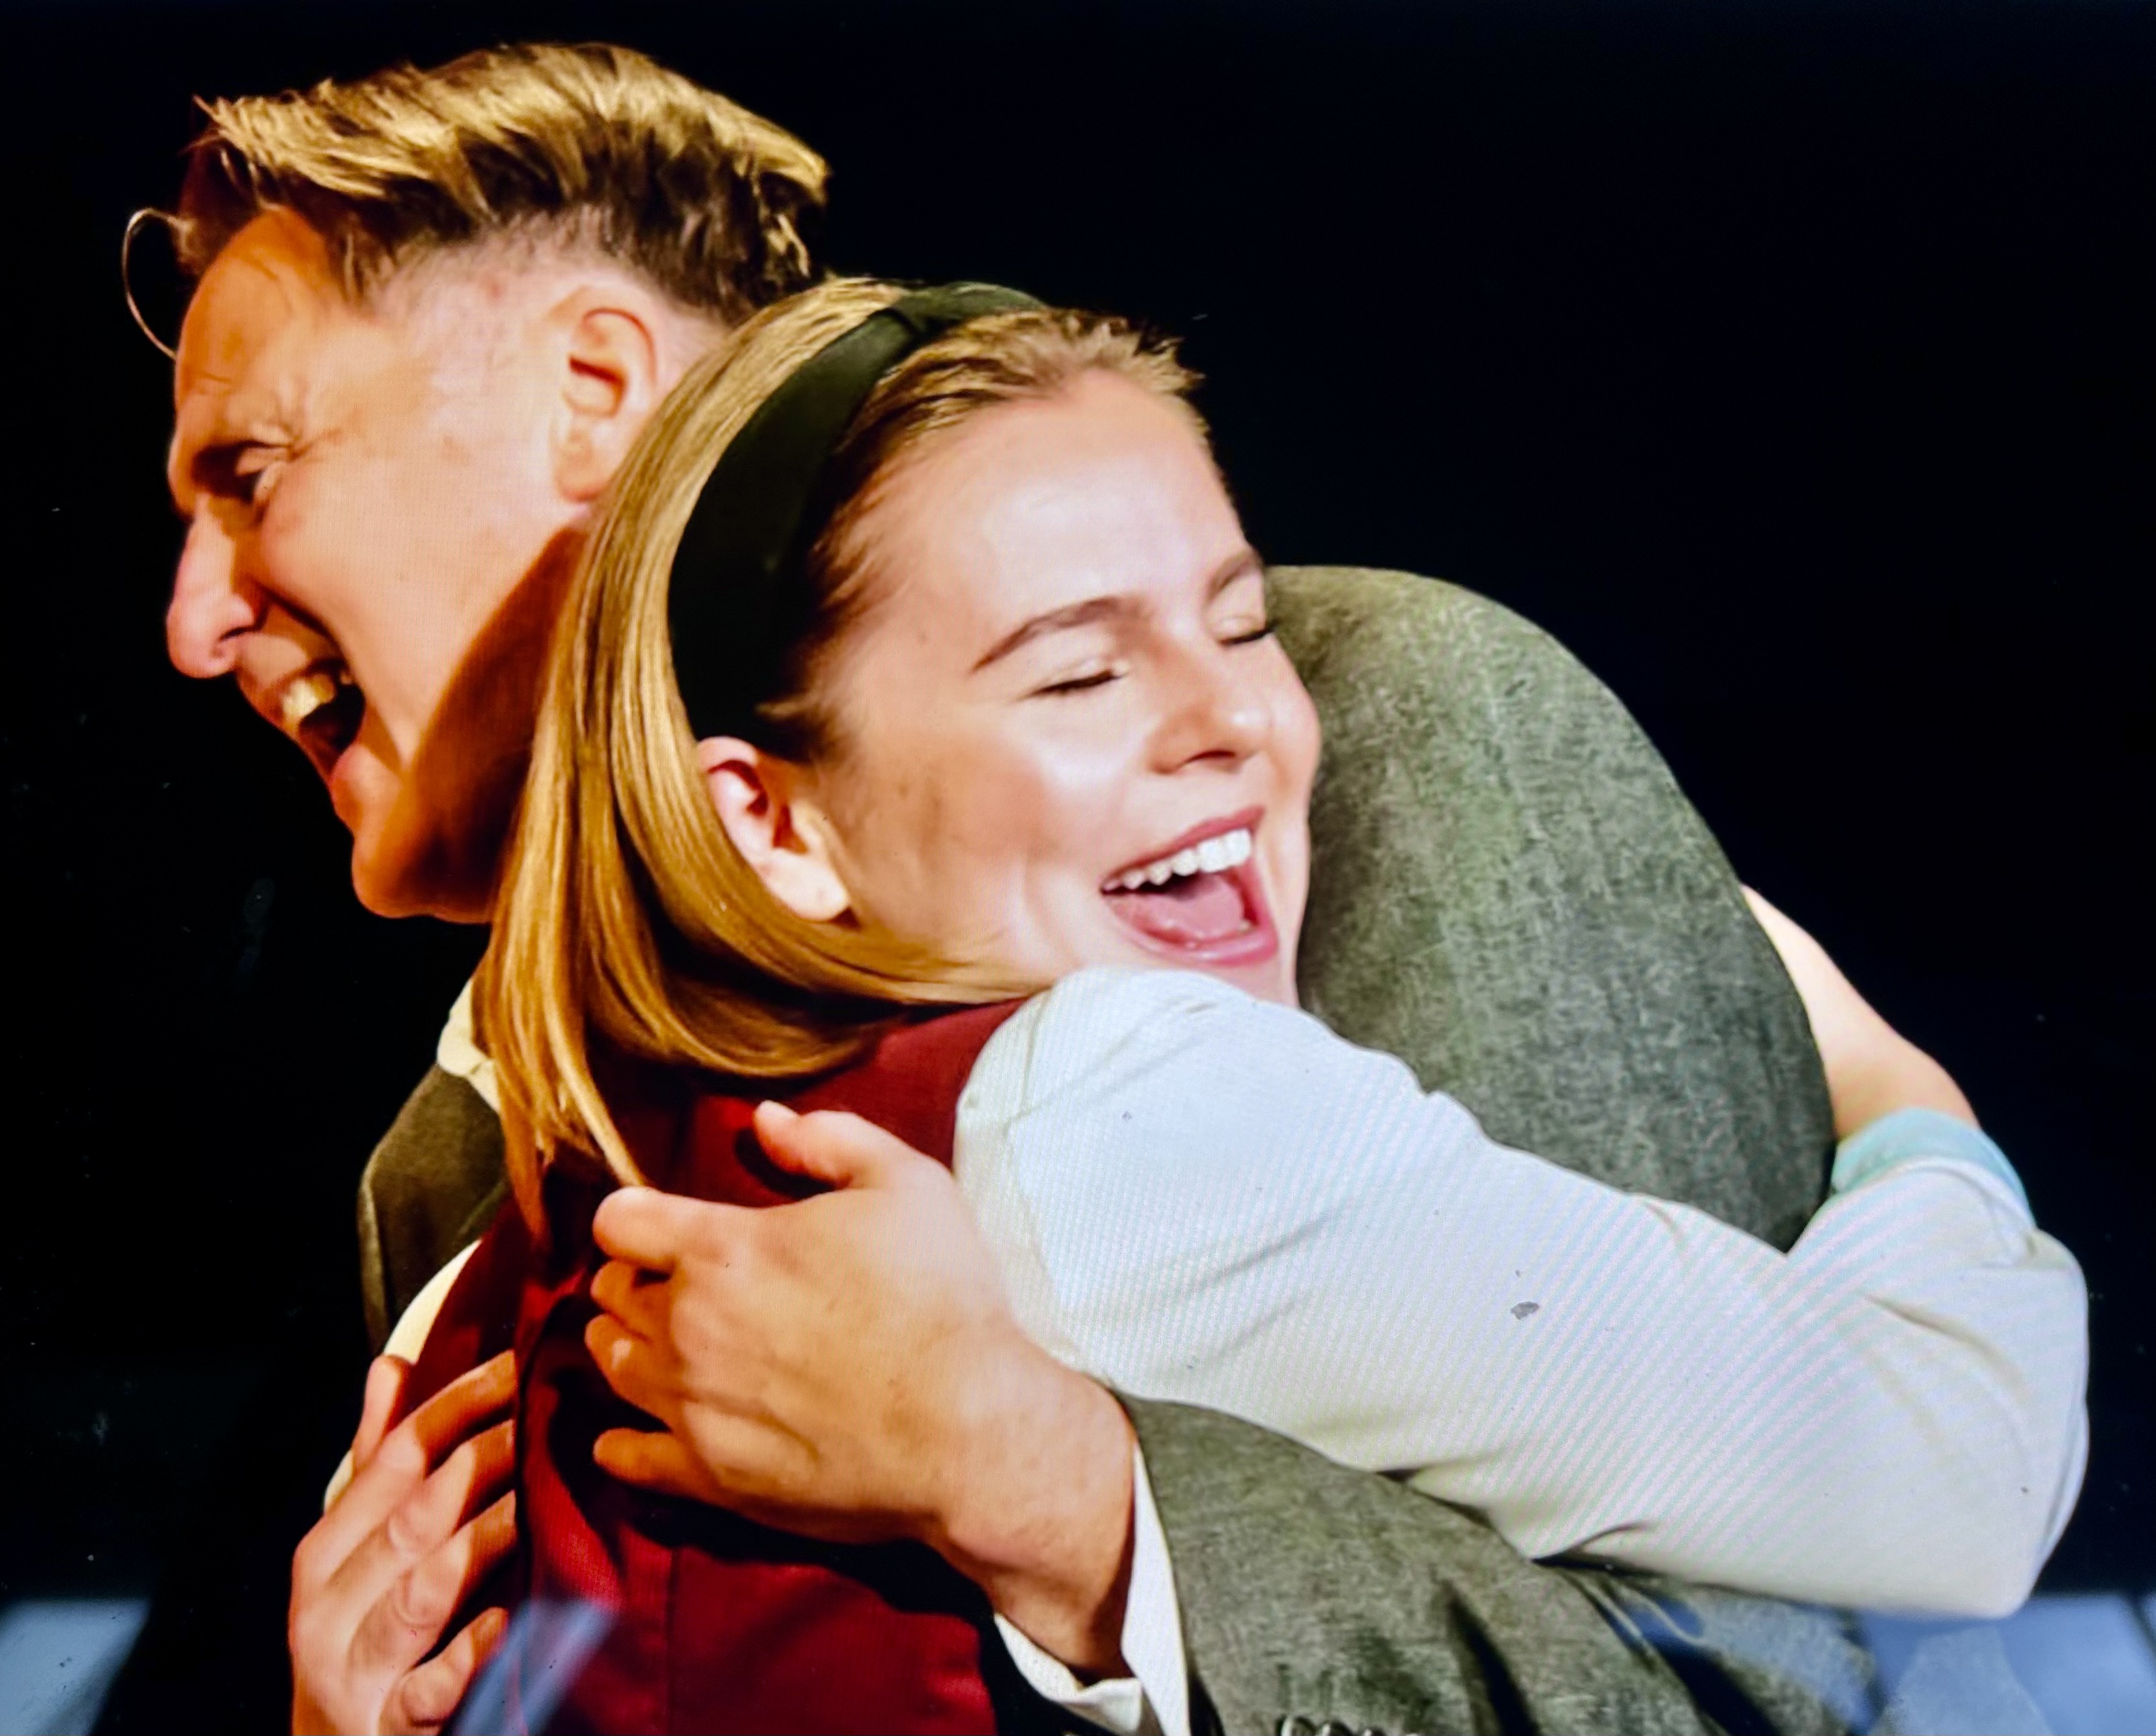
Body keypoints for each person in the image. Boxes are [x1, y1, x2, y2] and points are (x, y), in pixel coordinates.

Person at [141, 42, 2039, 1736]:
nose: (193, 619)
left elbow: (1769, 1665)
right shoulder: (441, 1179)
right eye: (1078, 667)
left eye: (253, 469)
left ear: (590, 386)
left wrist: (1073, 1512)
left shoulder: (1394, 728)